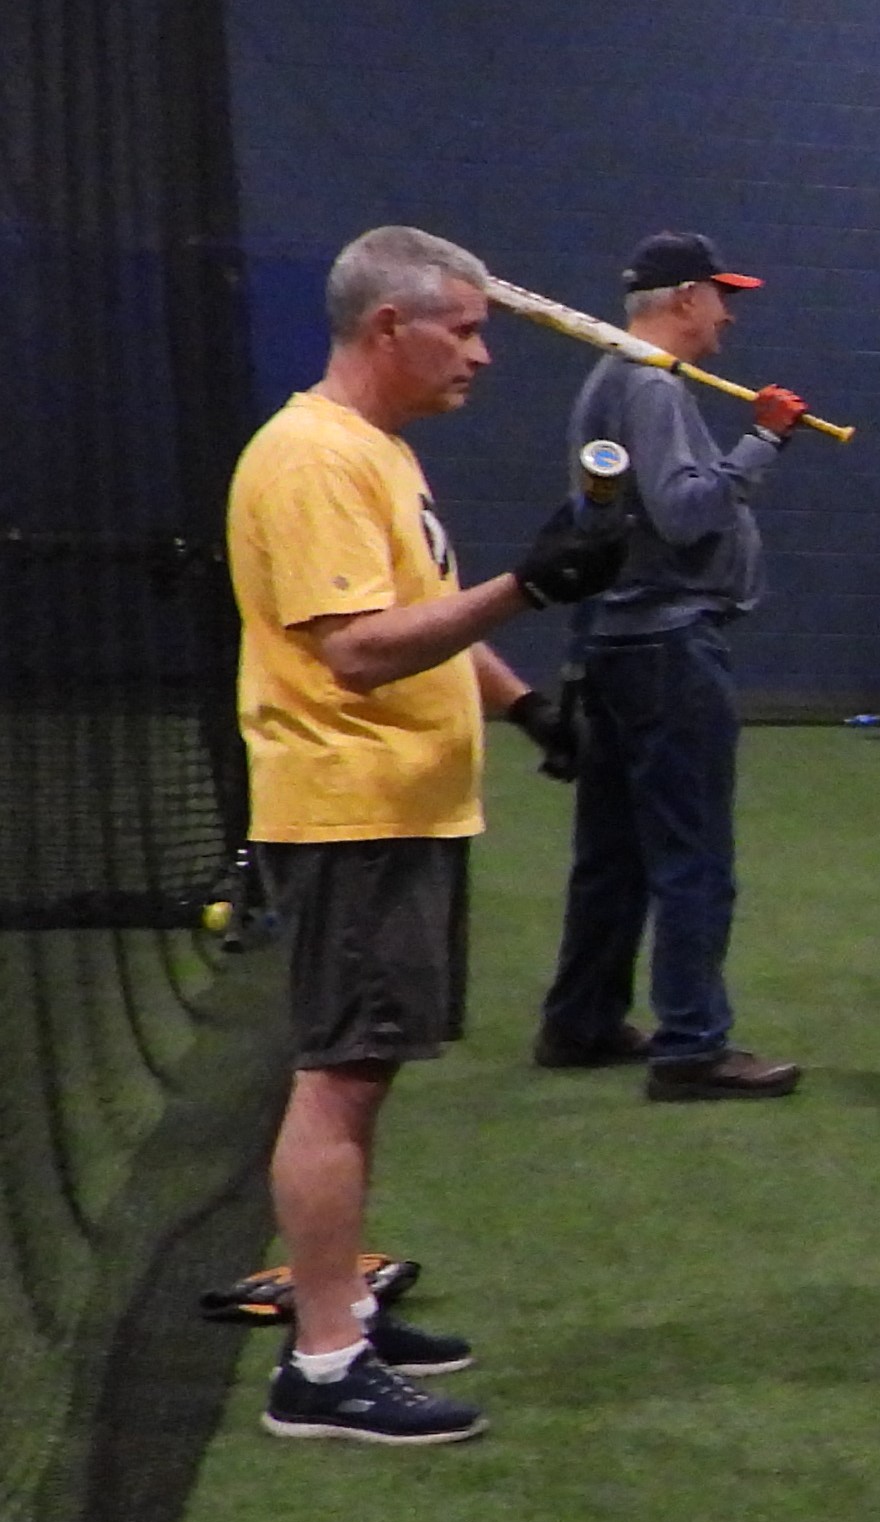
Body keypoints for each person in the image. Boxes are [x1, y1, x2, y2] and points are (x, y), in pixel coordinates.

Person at [229, 225, 625, 1444]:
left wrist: (527, 706)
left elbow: (419, 615)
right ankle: (323, 1363)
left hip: (400, 803)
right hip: (351, 806)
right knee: (340, 1074)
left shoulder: (378, 453)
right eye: (464, 329)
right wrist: (531, 586)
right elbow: (355, 650)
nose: (481, 355)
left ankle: (341, 1309)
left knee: (365, 1068)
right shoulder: (312, 458)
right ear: (388, 326)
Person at [531, 229, 809, 1098]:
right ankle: (692, 1045)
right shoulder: (650, 384)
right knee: (694, 856)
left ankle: (581, 1020)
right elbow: (685, 513)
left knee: (613, 855)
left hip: (621, 643)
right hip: (668, 646)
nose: (729, 315)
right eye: (723, 297)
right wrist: (762, 442)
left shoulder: (615, 379)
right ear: (686, 297)